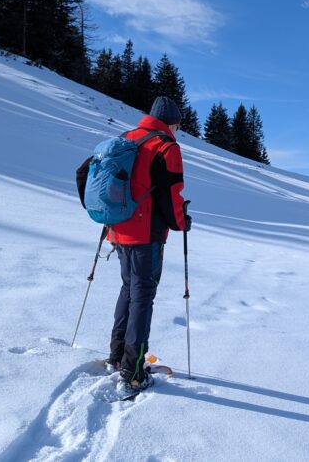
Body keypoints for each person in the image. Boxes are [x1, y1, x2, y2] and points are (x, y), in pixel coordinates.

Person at [107, 96, 191, 395]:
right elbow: (172, 195)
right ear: (172, 123)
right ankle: (133, 371)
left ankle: (117, 356)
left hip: (118, 230)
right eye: (177, 126)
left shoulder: (126, 138)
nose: (177, 131)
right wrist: (182, 222)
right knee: (142, 296)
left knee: (129, 289)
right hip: (145, 235)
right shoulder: (166, 147)